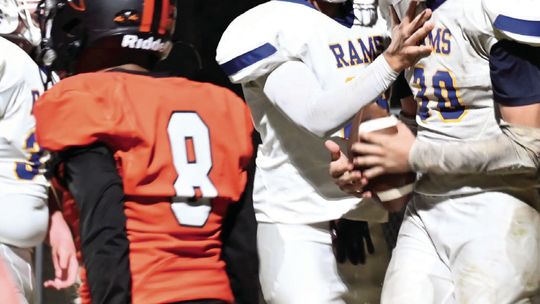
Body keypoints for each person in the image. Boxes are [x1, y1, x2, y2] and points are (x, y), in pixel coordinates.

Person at [33, 0, 255, 303]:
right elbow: (241, 242)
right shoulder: (223, 104)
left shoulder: (83, 98)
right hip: (216, 293)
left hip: (138, 292)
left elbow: (104, 227)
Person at [216, 0, 434, 302]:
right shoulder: (269, 24)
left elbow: (408, 108)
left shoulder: (379, 13)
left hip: (367, 215)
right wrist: (389, 62)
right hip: (300, 223)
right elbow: (317, 116)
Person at [329, 0, 540, 302]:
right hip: (426, 210)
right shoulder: (404, 10)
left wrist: (416, 155)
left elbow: (530, 149)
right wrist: (371, 162)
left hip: (499, 205)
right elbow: (418, 122)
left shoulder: (490, 8)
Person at [0, 1, 78, 303]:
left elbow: (23, 156)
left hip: (22, 250)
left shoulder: (26, 66)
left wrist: (53, 221)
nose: (43, 10)